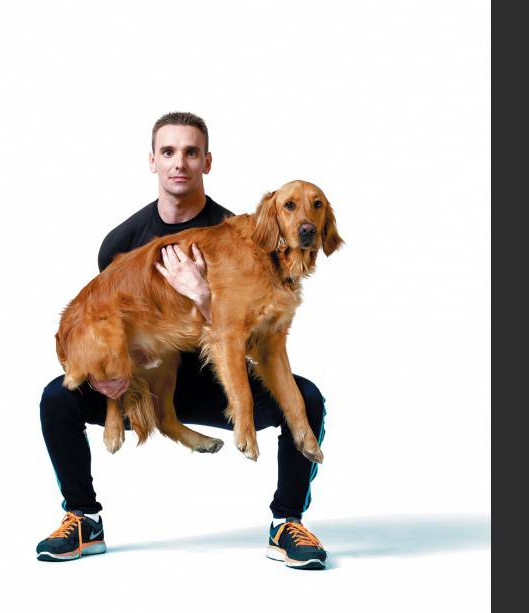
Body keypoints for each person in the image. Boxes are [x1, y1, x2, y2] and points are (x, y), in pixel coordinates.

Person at [37, 112, 328, 570]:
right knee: (57, 399)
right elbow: (111, 321)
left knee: (308, 398)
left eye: (191, 152)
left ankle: (286, 522)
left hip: (213, 381)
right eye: (169, 152)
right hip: (143, 376)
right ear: (152, 160)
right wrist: (102, 380)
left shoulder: (238, 232)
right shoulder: (121, 241)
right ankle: (82, 518)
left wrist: (204, 297)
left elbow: (248, 338)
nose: (180, 163)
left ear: (206, 162)